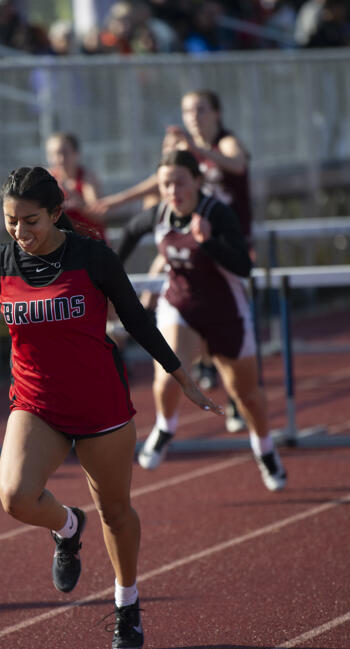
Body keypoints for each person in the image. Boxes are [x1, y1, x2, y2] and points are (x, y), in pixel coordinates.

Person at [0, 166, 221, 649]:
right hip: (37, 403)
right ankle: (68, 527)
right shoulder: (0, 262)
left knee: (115, 510)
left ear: (55, 213)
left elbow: (136, 320)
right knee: (14, 496)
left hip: (100, 407)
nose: (20, 231)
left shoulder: (93, 259)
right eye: (11, 221)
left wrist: (182, 377)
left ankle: (127, 606)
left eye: (30, 221)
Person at [116, 150, 287, 493]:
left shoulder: (217, 213)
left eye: (180, 181)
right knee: (169, 371)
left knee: (246, 394)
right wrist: (104, 277)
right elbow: (125, 239)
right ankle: (165, 426)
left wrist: (208, 241)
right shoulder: (159, 214)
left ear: (197, 180)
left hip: (226, 311)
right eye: (166, 183)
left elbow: (244, 267)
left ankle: (265, 449)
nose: (173, 189)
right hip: (181, 304)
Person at [96, 90, 256, 432]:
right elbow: (163, 178)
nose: (194, 116)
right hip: (189, 238)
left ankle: (232, 388)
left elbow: (238, 164)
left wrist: (193, 151)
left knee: (226, 317)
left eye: (200, 109)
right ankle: (135, 327)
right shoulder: (181, 152)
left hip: (227, 242)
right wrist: (120, 199)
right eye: (187, 110)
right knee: (159, 284)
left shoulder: (226, 144)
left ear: (216, 112)